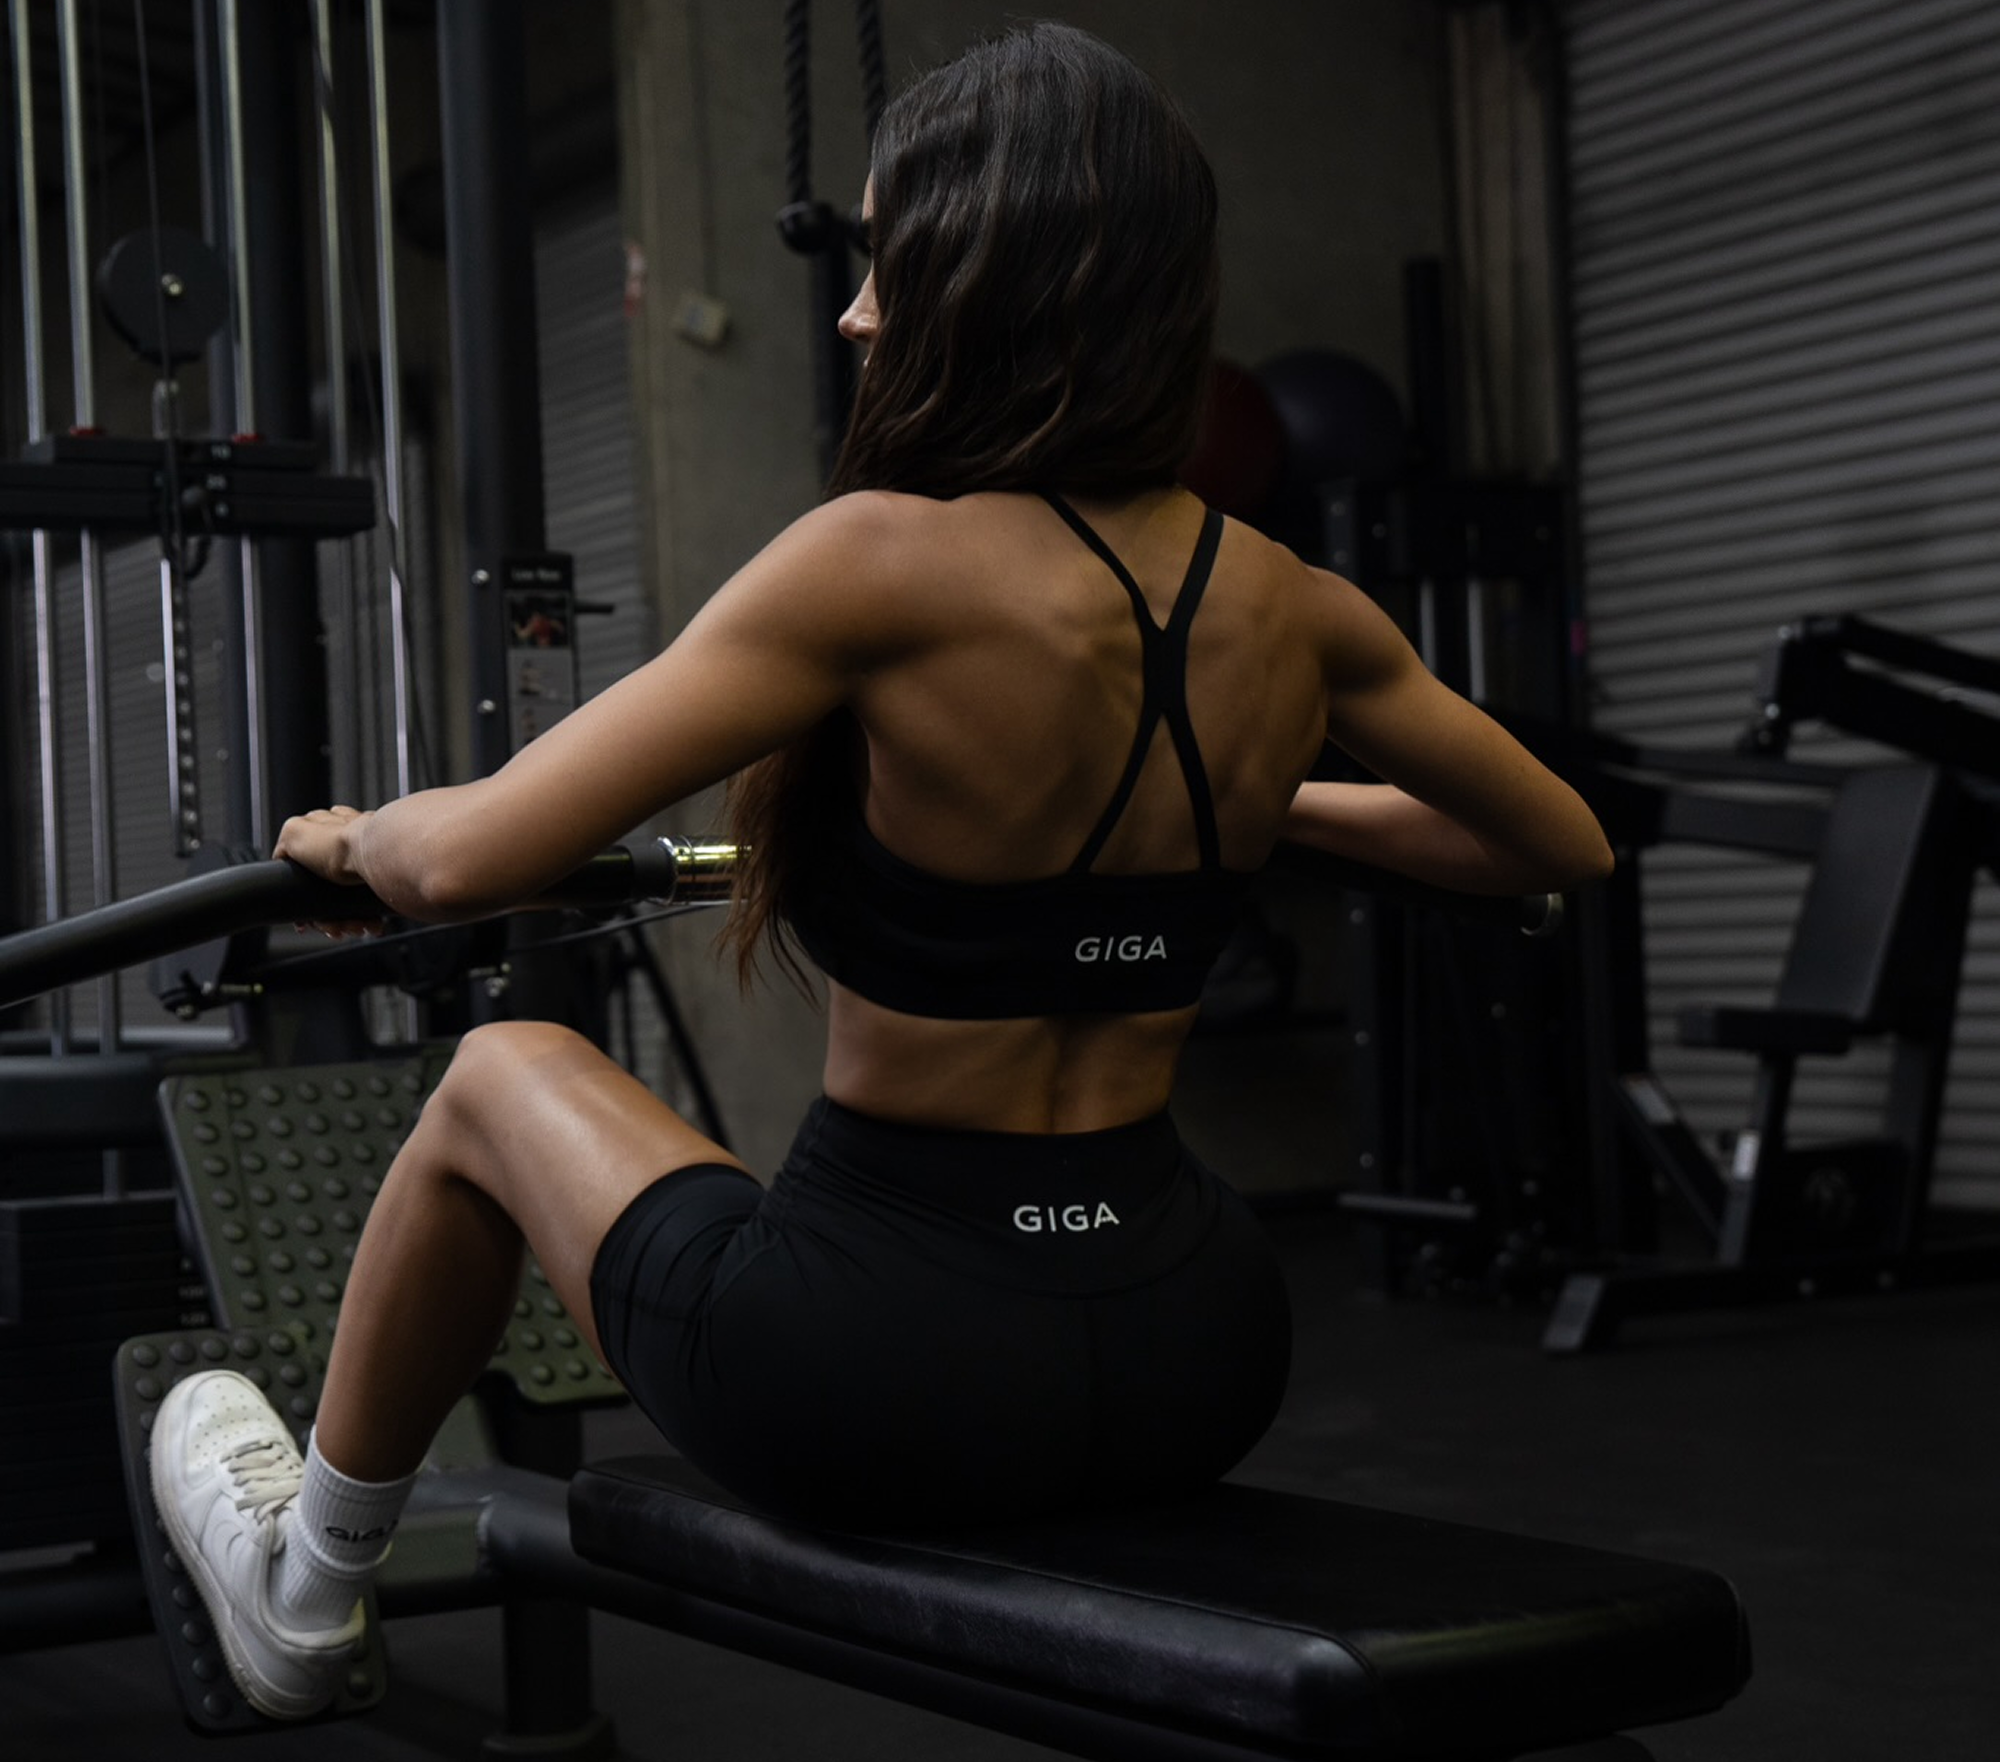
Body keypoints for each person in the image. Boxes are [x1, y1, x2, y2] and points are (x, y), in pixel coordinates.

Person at [148, 20, 1613, 1722]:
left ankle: (302, 1589)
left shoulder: (875, 570)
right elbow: (1556, 843)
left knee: (495, 1073)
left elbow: (473, 853)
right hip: (1194, 1343)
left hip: (885, 1367)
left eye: (884, 262)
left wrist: (348, 838)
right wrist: (1243, 805)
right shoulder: (1290, 598)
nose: (853, 312)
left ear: (989, 280)